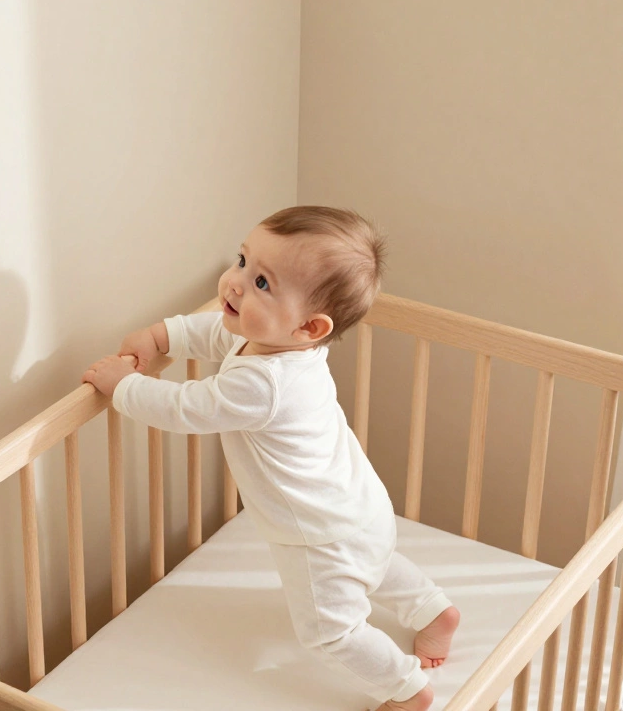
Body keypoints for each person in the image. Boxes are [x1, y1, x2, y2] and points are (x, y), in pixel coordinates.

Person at [82, 206, 459, 711]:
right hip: (360, 510)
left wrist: (123, 385)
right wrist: (163, 336)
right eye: (242, 260)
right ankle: (433, 612)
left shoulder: (262, 385)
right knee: (376, 564)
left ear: (310, 326)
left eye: (261, 281)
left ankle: (405, 689)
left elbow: (183, 408)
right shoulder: (276, 343)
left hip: (318, 536)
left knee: (330, 632)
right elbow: (215, 332)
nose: (234, 284)